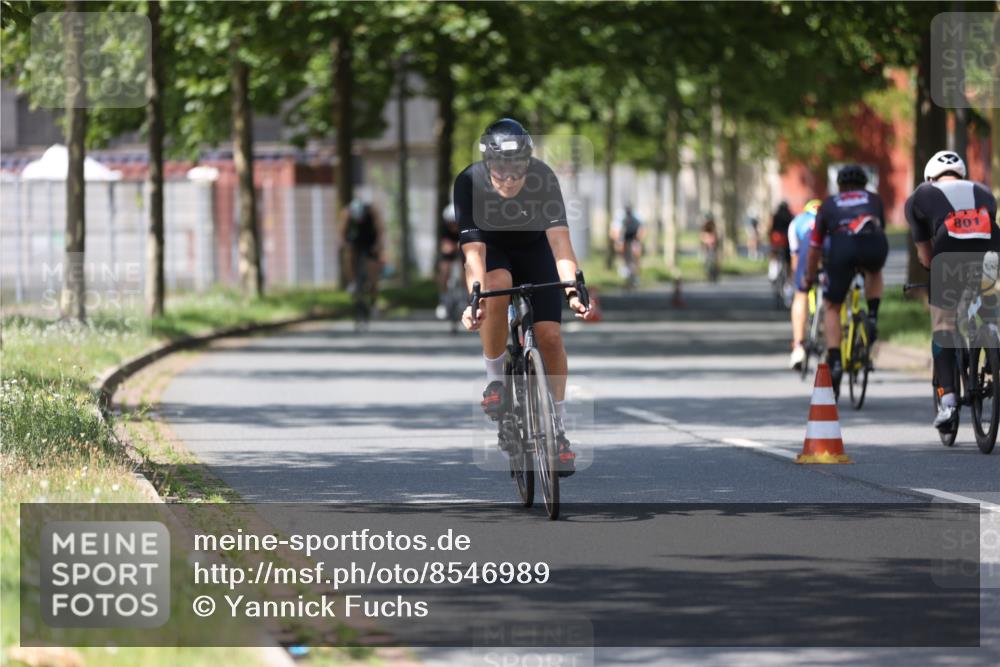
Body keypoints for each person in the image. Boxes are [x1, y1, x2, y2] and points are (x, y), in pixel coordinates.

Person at [454, 118, 593, 477]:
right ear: (487, 163)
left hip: (535, 252)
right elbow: (474, 253)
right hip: (493, 252)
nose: (510, 175)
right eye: (500, 166)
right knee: (496, 284)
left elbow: (560, 243)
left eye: (518, 166)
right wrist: (475, 301)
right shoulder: (469, 183)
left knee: (550, 336)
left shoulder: (544, 179)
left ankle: (558, 431)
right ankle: (495, 379)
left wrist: (573, 289)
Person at [904, 150, 1000, 430]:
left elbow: (925, 256)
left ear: (930, 177)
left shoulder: (920, 195)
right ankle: (991, 331)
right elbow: (982, 232)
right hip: (992, 247)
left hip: (947, 250)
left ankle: (947, 404)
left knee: (944, 323)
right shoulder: (983, 191)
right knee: (987, 299)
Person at [803, 165, 888, 396]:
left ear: (839, 186)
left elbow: (815, 247)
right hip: (873, 245)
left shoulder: (829, 203)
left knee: (832, 306)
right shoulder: (874, 198)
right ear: (864, 185)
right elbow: (881, 227)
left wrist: (809, 276)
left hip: (843, 249)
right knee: (874, 270)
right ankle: (871, 315)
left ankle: (836, 360)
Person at [788, 199, 822, 369]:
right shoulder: (828, 216)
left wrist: (800, 280)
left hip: (807, 250)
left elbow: (795, 261)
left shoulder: (797, 222)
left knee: (800, 294)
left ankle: (799, 347)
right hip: (830, 248)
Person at [338, 198, 384, 305]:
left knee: (373, 269)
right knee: (348, 255)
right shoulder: (347, 212)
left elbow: (380, 229)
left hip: (370, 239)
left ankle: (374, 297)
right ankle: (353, 281)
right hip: (356, 239)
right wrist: (343, 243)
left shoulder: (372, 211)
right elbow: (342, 230)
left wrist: (378, 244)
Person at [435, 203, 463, 319]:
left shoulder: (465, 226)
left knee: (467, 268)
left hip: (463, 252)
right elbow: (445, 246)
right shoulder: (444, 229)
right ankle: (443, 299)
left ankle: (468, 297)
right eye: (450, 223)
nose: (453, 226)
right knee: (444, 269)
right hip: (448, 255)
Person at [611, 204, 645, 282]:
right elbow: (614, 232)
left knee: (636, 251)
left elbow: (642, 230)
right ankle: (624, 265)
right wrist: (618, 241)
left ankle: (636, 272)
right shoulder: (619, 217)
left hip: (634, 236)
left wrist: (638, 241)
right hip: (624, 236)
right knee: (620, 247)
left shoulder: (637, 217)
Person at [700, 212, 720, 282]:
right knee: (707, 259)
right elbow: (702, 236)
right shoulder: (704, 226)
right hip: (707, 245)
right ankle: (708, 273)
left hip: (712, 245)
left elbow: (716, 236)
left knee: (714, 259)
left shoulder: (713, 225)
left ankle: (715, 273)